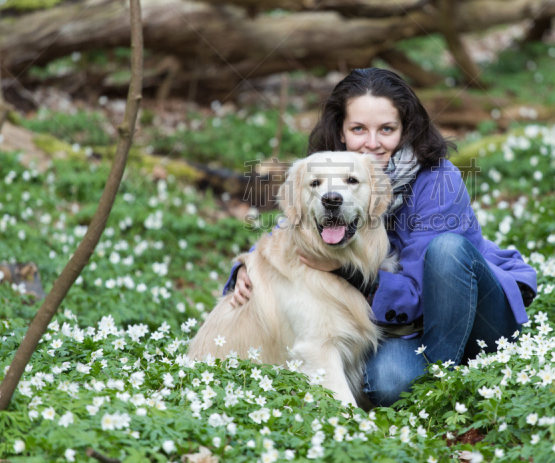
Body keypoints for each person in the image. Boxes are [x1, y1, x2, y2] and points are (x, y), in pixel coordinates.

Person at [224, 68, 537, 407]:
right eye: (358, 128)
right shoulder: (335, 171)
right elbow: (298, 220)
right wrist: (251, 266)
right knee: (386, 385)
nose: (372, 143)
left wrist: (343, 270)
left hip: (473, 311)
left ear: (405, 130)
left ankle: (446, 387)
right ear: (341, 131)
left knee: (445, 250)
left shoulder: (438, 179)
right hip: (409, 330)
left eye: (386, 129)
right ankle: (438, 378)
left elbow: (422, 293)